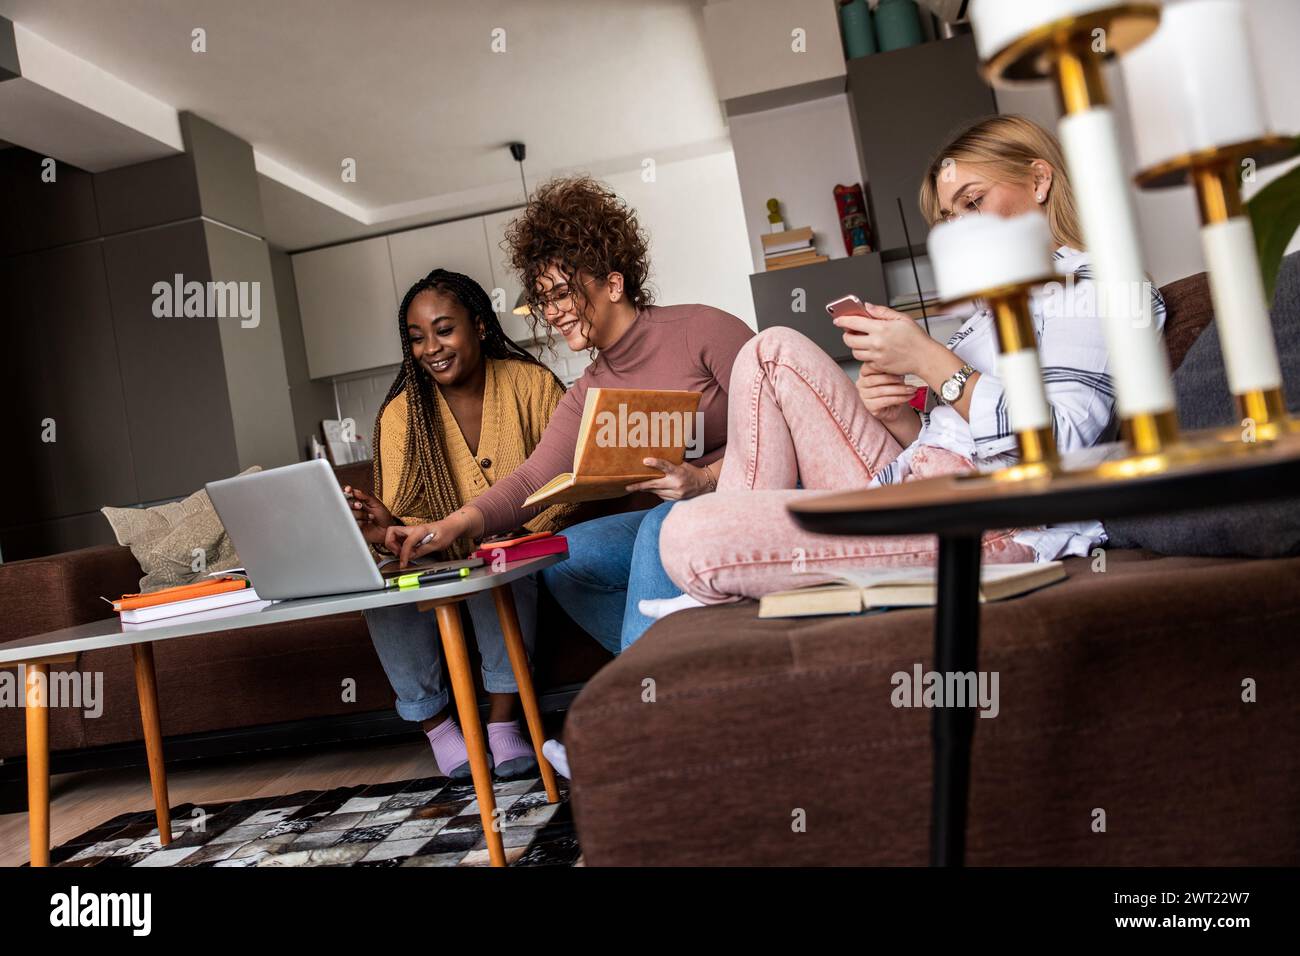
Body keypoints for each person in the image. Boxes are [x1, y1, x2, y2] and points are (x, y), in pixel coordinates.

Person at [653, 115, 1167, 609]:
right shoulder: (989, 313)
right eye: (950, 218)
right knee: (771, 351)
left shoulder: (1100, 287)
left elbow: (1060, 444)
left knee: (687, 533)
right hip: (913, 482)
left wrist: (927, 357)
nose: (962, 228)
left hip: (995, 518)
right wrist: (898, 415)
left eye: (974, 202)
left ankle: (727, 567)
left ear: (1038, 179)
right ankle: (740, 548)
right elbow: (948, 436)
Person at [386, 177, 753, 652]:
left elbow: (779, 425)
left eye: (562, 293)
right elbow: (531, 481)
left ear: (614, 283)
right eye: (544, 299)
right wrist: (452, 526)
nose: (553, 312)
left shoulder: (702, 330)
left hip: (748, 500)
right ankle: (667, 677)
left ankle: (650, 700)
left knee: (662, 527)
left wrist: (705, 480)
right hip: (672, 520)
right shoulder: (588, 391)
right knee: (562, 556)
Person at [347, 269, 573, 780]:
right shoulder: (403, 412)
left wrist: (523, 533)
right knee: (381, 586)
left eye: (444, 330)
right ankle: (440, 729)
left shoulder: (530, 384)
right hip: (434, 555)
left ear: (479, 325)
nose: (431, 348)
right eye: (417, 338)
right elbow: (403, 510)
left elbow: (569, 479)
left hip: (516, 550)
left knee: (500, 566)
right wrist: (387, 525)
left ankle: (501, 725)